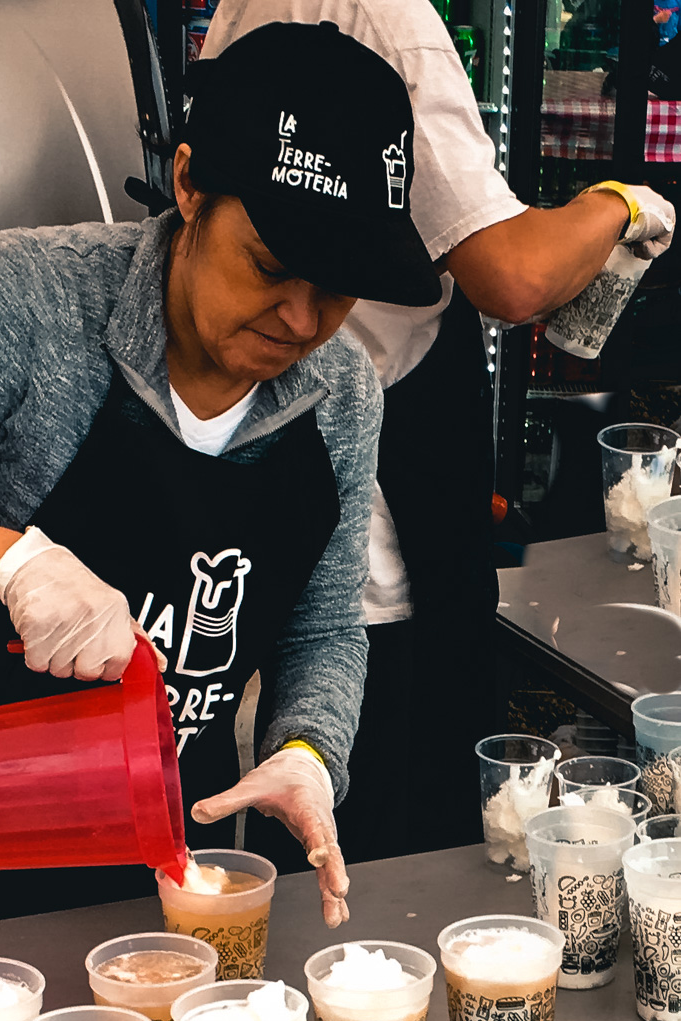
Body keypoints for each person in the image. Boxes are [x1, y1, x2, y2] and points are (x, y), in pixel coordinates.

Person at [0, 23, 442, 940]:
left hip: (153, 874)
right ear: (189, 183)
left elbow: (319, 623)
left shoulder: (341, 392)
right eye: (270, 267)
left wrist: (309, 749)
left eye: (340, 286)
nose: (303, 318)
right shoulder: (33, 299)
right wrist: (7, 563)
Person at [203, 0, 677, 868]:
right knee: (391, 835)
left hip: (287, 468)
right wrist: (622, 203)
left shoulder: (248, 6)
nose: (304, 307)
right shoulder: (382, 12)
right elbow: (512, 273)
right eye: (278, 270)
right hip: (378, 507)